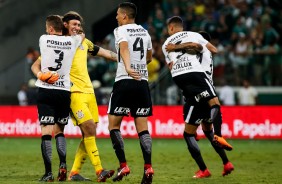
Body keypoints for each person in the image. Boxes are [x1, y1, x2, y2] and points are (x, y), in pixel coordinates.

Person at [164, 28, 234, 178]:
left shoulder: (198, 52)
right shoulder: (207, 56)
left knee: (188, 134)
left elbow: (190, 51)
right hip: (208, 91)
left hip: (196, 94)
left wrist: (175, 53)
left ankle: (203, 169)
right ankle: (226, 163)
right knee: (208, 131)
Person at [61, 11, 116, 182]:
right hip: (73, 92)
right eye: (74, 25)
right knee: (90, 128)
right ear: (65, 26)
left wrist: (122, 58)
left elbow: (105, 53)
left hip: (89, 92)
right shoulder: (60, 43)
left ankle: (74, 173)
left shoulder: (85, 43)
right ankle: (99, 170)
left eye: (79, 25)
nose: (78, 28)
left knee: (89, 133)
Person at [31, 15, 84, 182]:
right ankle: (63, 166)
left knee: (46, 133)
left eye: (48, 28)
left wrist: (41, 75)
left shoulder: (44, 39)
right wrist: (74, 29)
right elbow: (81, 34)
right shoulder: (73, 41)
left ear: (50, 29)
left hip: (46, 89)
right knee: (60, 131)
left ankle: (48, 173)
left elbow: (36, 64)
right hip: (63, 91)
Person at [108, 2, 154, 184]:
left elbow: (125, 47)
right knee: (143, 130)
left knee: (113, 126)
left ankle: (123, 165)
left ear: (125, 16)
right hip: (142, 83)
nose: (117, 17)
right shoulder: (145, 32)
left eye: (118, 14)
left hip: (124, 81)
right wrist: (139, 67)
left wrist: (128, 66)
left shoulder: (120, 30)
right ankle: (148, 167)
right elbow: (150, 56)